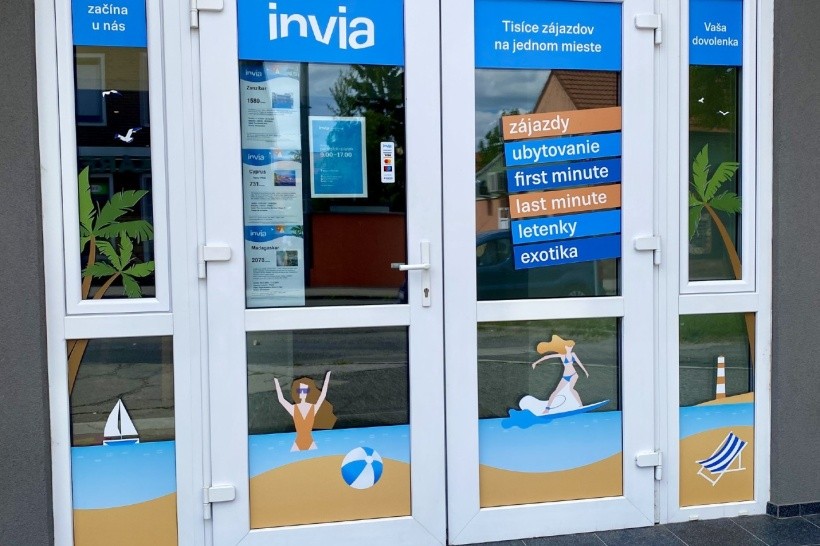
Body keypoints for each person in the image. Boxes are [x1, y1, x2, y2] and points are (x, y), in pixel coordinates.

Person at [274, 371, 333, 451]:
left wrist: (327, 377)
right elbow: (281, 400)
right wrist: (276, 382)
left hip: (310, 442)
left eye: (305, 390)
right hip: (298, 443)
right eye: (300, 390)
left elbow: (322, 396)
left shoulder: (312, 408)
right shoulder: (294, 409)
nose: (302, 393)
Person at [531, 335, 589, 414]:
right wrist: (535, 363)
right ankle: (547, 409)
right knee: (556, 391)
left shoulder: (573, 354)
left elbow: (579, 363)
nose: (571, 348)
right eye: (569, 347)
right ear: (565, 347)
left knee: (571, 389)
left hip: (574, 374)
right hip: (565, 376)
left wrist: (585, 371)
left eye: (571, 347)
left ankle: (581, 405)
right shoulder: (562, 355)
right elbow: (547, 357)